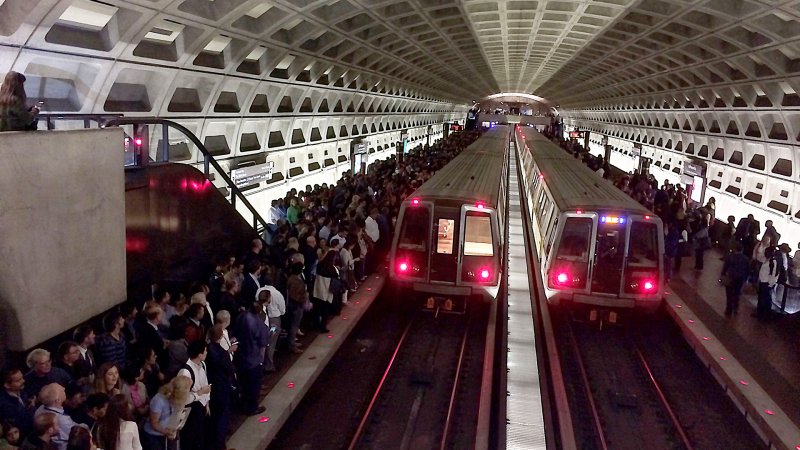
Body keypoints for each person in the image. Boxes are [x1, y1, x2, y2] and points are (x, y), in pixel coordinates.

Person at [233, 293, 269, 417]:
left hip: (240, 356)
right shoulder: (260, 324)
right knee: (253, 385)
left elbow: (235, 333)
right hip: (253, 358)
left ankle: (243, 403)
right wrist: (261, 360)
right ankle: (252, 408)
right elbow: (263, 344)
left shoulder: (241, 317)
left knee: (243, 383)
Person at [176, 341, 210, 450]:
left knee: (200, 438)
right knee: (190, 440)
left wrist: (207, 403)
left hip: (201, 407)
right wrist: (199, 394)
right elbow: (181, 398)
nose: (207, 352)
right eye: (205, 351)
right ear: (199, 354)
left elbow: (205, 384)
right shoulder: (185, 372)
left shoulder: (203, 365)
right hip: (190, 409)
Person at [206, 326, 235, 450]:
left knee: (215, 417)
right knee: (222, 417)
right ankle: (220, 446)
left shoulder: (207, 349)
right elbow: (229, 369)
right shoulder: (222, 353)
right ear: (221, 336)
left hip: (211, 387)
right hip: (221, 387)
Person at [141, 376, 190, 450]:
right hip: (154, 436)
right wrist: (167, 432)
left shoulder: (177, 399)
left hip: (168, 432)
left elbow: (177, 412)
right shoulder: (158, 401)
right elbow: (154, 423)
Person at [34, 384, 86, 450]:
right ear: (57, 400)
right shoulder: (63, 420)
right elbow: (81, 433)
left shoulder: (39, 409)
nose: (64, 389)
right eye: (62, 391)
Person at [0, 369, 34, 438]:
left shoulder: (21, 391)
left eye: (22, 378)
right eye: (18, 380)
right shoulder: (4, 404)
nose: (23, 381)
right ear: (7, 385)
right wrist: (32, 407)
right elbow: (22, 425)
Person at [721, 243, 751, 316]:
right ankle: (736, 308)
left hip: (731, 277)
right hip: (740, 278)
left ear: (735, 249)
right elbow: (748, 270)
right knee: (737, 293)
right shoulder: (746, 259)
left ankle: (729, 309)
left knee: (729, 294)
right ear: (742, 250)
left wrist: (723, 274)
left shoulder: (730, 257)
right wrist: (746, 279)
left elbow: (725, 267)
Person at [754, 246, 779, 319]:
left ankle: (764, 314)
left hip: (766, 283)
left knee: (765, 299)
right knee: (761, 298)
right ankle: (759, 313)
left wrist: (770, 284)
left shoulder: (773, 262)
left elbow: (773, 274)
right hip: (762, 281)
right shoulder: (766, 260)